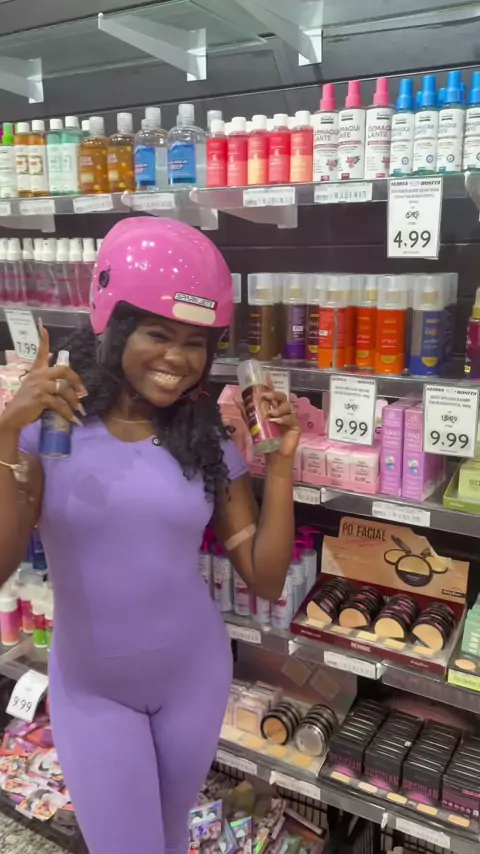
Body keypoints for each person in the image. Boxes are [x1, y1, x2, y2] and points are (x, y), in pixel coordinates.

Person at [0, 218, 300, 854]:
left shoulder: (207, 440)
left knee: (165, 838)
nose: (177, 358)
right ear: (113, 325)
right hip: (92, 689)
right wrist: (3, 437)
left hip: (194, 676)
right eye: (157, 334)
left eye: (196, 343)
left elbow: (268, 578)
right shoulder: (52, 430)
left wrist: (281, 464)